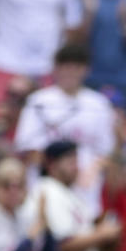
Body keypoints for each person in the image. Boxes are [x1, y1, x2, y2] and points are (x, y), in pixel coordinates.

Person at [13, 44, 116, 217]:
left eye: (76, 67)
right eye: (65, 66)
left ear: (86, 70)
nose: (70, 72)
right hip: (46, 183)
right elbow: (28, 149)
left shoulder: (99, 104)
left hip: (86, 187)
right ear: (55, 69)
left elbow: (106, 151)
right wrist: (59, 172)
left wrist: (89, 172)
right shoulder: (38, 101)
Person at [23, 140, 118, 251]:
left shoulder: (69, 194)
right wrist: (102, 234)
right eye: (70, 161)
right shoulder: (47, 191)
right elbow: (62, 247)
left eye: (76, 161)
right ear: (51, 164)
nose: (76, 167)